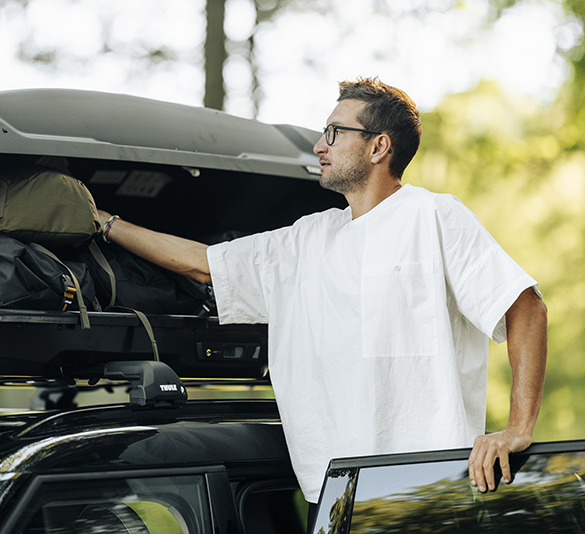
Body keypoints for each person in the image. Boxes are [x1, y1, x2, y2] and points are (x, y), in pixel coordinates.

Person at [97, 77, 547, 504]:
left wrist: (517, 428)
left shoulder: (433, 216)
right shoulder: (306, 239)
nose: (318, 146)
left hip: (425, 491)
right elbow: (201, 263)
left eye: (333, 132)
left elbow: (525, 307)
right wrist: (106, 224)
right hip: (334, 497)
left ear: (378, 146)